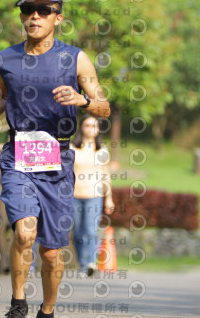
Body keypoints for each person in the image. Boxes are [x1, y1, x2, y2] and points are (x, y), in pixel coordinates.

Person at [0, 0, 110, 318]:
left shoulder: (76, 59)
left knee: (52, 252)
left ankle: (47, 310)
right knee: (25, 233)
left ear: (58, 17)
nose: (34, 16)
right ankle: (18, 303)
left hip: (58, 163)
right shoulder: (5, 58)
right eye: (27, 9)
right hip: (18, 157)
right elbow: (1, 94)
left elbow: (103, 106)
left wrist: (82, 100)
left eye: (43, 10)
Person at [70, 114, 115, 277]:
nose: (91, 129)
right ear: (81, 128)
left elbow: (105, 175)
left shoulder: (101, 150)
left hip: (94, 195)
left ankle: (90, 262)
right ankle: (82, 264)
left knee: (90, 230)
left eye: (94, 126)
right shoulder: (72, 148)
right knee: (77, 232)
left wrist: (108, 198)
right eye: (87, 125)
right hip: (74, 195)